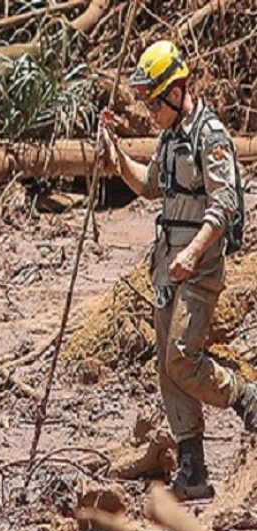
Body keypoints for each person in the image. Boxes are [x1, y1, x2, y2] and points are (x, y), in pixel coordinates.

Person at [100, 40, 256, 500]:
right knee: (168, 370)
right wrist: (116, 156)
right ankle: (193, 467)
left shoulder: (211, 137)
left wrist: (194, 253)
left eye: (154, 100)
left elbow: (226, 202)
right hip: (167, 268)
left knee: (182, 358)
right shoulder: (170, 139)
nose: (149, 110)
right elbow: (149, 186)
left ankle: (244, 395)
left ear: (177, 90)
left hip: (198, 266)